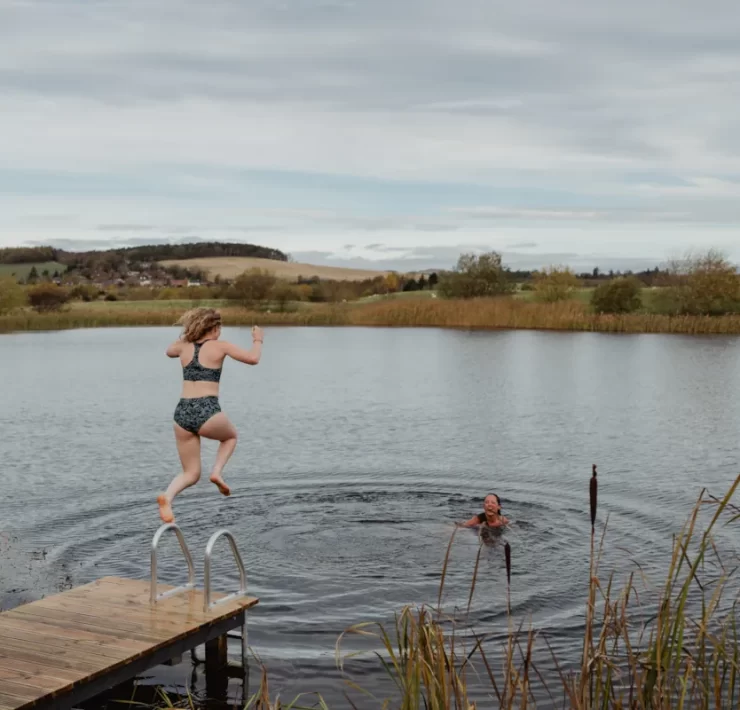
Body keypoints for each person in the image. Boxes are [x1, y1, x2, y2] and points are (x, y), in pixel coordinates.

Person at [156, 307, 264, 524]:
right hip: (207, 409)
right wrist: (258, 340)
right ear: (214, 328)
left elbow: (169, 350)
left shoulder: (183, 347)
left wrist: (188, 337)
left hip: (182, 413)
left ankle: (168, 497)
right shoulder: (220, 346)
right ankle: (217, 472)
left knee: (191, 474)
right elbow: (253, 358)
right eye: (219, 328)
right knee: (230, 437)